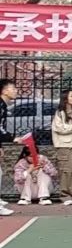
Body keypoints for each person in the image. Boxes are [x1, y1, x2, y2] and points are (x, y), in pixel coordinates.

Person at [13, 134, 57, 204]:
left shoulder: (42, 159)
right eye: (31, 156)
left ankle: (44, 198)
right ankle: (25, 199)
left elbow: (54, 174)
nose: (34, 158)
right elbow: (18, 179)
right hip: (26, 190)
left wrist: (44, 166)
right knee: (26, 175)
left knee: (42, 172)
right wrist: (29, 170)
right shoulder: (21, 163)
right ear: (25, 156)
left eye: (36, 155)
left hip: (44, 189)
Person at [0, 77, 15, 214]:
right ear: (4, 91)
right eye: (12, 88)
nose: (15, 90)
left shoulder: (3, 105)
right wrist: (13, 138)